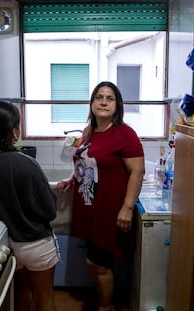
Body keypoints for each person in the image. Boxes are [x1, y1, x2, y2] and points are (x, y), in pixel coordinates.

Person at [57, 81, 145, 311]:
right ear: (92, 102)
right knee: (96, 261)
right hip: (90, 209)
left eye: (110, 98)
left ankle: (106, 307)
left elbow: (138, 171)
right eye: (99, 97)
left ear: (117, 105)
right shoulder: (89, 131)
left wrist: (127, 207)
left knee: (97, 263)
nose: (103, 102)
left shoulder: (125, 134)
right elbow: (87, 163)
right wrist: (71, 178)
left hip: (110, 210)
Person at [0, 101, 59, 311]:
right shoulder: (26, 163)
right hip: (36, 245)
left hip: (5, 245)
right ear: (15, 132)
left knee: (19, 298)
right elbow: (49, 210)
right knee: (44, 299)